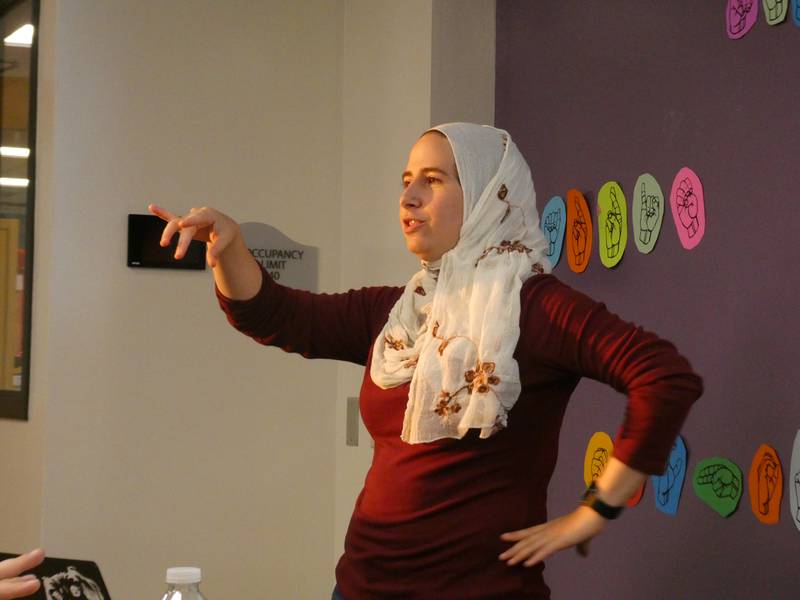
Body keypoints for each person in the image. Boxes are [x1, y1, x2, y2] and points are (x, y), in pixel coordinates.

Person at [150, 123, 702, 599]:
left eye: (433, 181)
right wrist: (230, 249)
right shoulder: (400, 312)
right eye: (406, 181)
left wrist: (594, 511)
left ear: (490, 193)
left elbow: (663, 375)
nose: (408, 196)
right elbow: (279, 316)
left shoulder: (533, 307)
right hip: (361, 587)